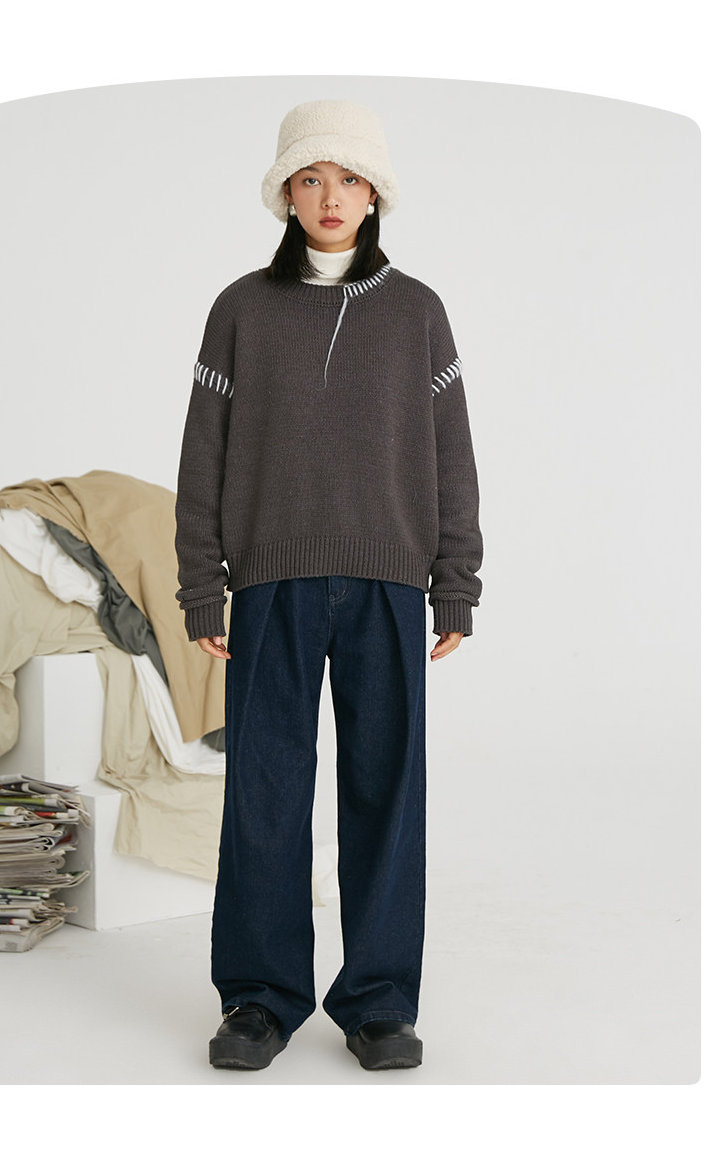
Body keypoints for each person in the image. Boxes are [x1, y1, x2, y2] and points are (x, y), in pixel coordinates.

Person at [174, 98, 483, 1072]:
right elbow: (203, 456)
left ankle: (380, 1001)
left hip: (389, 584)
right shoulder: (240, 309)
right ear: (286, 193)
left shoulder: (417, 311)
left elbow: (452, 455)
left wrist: (455, 583)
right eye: (310, 178)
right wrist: (202, 585)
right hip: (270, 584)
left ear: (375, 192)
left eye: (348, 178)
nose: (330, 196)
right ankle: (259, 998)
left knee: (386, 790)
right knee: (264, 792)